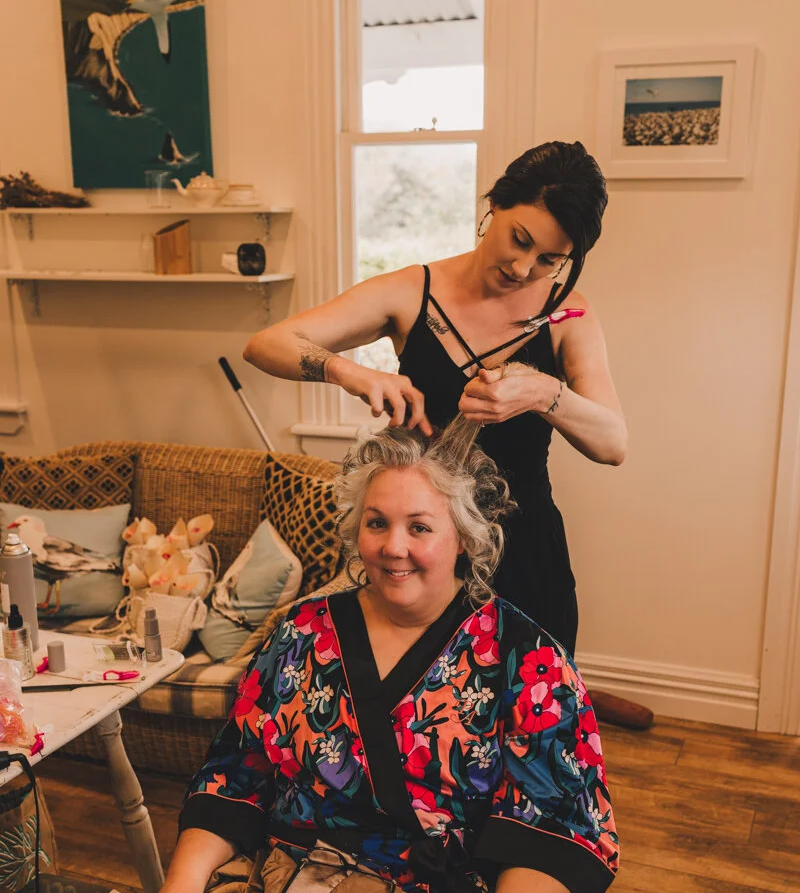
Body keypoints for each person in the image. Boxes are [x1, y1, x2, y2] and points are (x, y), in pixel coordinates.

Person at [91, 419, 618, 893]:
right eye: (377, 523)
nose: (394, 546)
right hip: (283, 886)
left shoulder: (528, 660)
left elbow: (562, 822)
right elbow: (236, 771)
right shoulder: (300, 635)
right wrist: (183, 882)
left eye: (419, 527)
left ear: (466, 537)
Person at [243, 140, 627, 654]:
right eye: (519, 239)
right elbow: (265, 345)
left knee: (527, 702)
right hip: (415, 554)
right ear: (495, 204)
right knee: (413, 701)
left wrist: (543, 391)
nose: (522, 268)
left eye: (549, 260)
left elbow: (613, 444)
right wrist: (353, 374)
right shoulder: (412, 292)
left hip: (525, 555)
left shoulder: (567, 314)